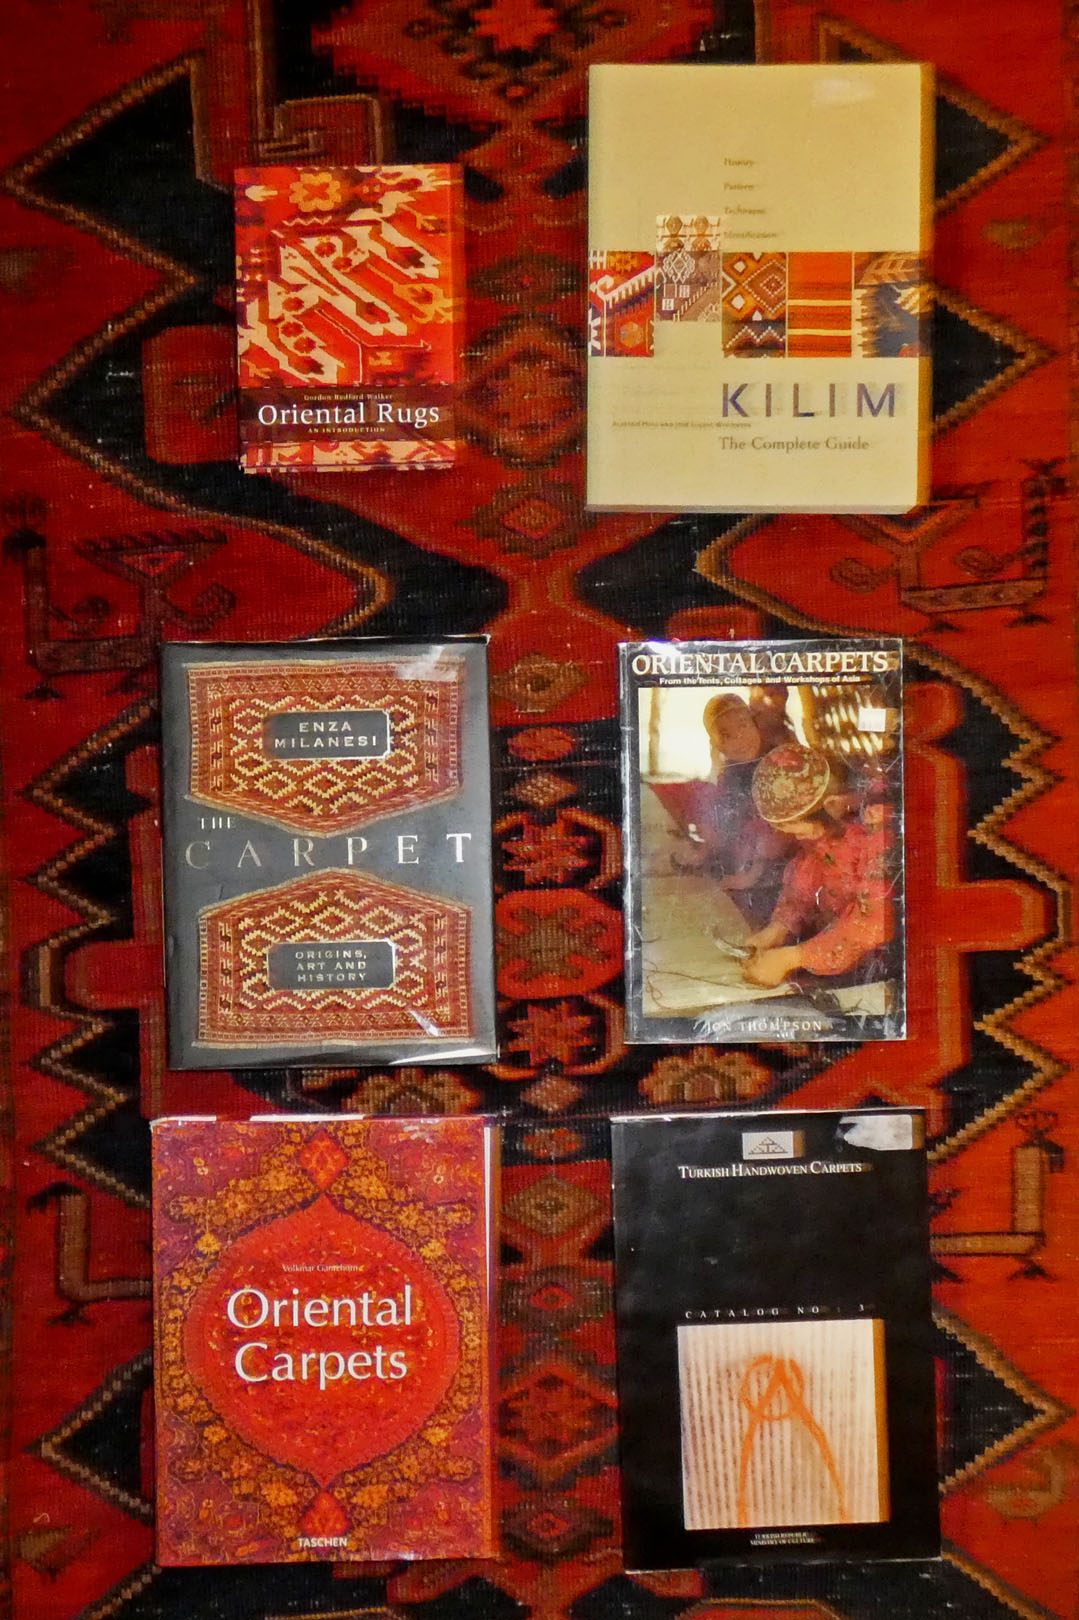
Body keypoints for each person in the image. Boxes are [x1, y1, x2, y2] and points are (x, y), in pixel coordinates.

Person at [742, 743, 895, 989]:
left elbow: (872, 923)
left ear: (829, 808)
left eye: (797, 829)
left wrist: (792, 958)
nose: (796, 837)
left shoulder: (878, 837)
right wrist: (777, 929)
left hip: (884, 971)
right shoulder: (822, 836)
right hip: (845, 963)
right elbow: (806, 885)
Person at [694, 692, 793, 926]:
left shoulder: (777, 762)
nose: (740, 738)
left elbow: (775, 826)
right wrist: (716, 765)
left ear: (755, 724)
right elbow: (719, 809)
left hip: (781, 851)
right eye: (726, 735)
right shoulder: (731, 770)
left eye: (744, 725)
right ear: (716, 744)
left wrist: (752, 874)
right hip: (749, 850)